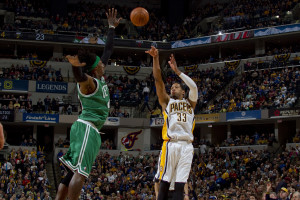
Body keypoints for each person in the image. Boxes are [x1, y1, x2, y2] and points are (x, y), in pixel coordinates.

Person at [55, 8, 121, 200]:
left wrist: (111, 28)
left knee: (69, 175)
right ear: (94, 69)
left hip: (85, 128)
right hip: (87, 129)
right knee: (80, 174)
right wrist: (76, 68)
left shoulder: (97, 77)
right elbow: (80, 77)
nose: (103, 64)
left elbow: (108, 50)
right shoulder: (90, 82)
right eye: (100, 64)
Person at [146, 46, 198, 200]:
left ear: (183, 92)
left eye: (176, 87)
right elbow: (158, 79)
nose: (172, 88)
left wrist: (177, 72)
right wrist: (155, 58)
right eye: (172, 87)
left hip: (187, 146)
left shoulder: (190, 103)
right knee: (165, 181)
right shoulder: (167, 102)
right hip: (172, 143)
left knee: (180, 185)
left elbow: (193, 87)